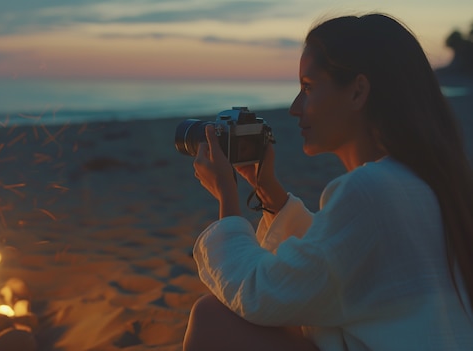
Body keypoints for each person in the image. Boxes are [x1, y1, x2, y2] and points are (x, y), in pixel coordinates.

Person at [182, 13, 473, 351]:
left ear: (357, 92)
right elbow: (336, 263)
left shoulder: (369, 190)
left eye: (308, 87)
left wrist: (227, 197)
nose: (294, 107)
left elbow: (258, 293)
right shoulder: (432, 180)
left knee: (212, 318)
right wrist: (267, 191)